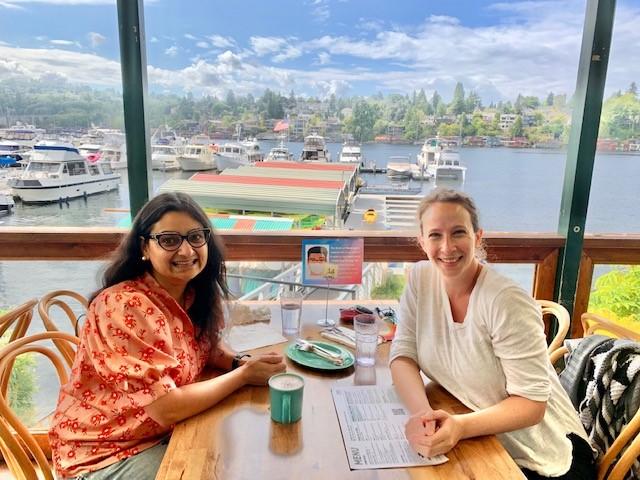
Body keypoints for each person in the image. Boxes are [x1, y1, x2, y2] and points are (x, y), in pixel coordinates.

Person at [49, 192, 286, 480]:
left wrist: (239, 363)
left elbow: (206, 347)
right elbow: (167, 408)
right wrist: (244, 376)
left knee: (245, 447)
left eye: (195, 237)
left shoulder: (192, 292)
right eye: (170, 240)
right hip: (104, 452)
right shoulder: (126, 306)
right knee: (226, 469)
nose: (186, 251)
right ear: (144, 248)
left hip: (160, 431)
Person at [389, 188, 595, 479]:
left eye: (458, 232)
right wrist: (425, 418)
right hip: (483, 439)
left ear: (477, 236)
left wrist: (459, 427)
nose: (447, 247)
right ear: (422, 241)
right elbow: (403, 355)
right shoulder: (420, 280)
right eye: (435, 235)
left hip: (548, 456)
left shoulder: (505, 300)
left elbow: (532, 405)